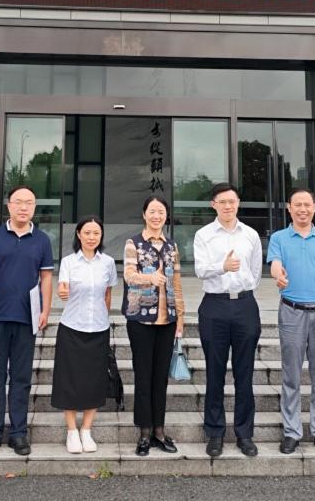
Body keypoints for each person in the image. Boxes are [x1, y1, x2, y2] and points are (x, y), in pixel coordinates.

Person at [0, 185, 54, 457]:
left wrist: (46, 310)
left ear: (34, 207)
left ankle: (19, 433)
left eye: (28, 202)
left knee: (21, 378)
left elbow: (46, 278)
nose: (23, 207)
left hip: (27, 317)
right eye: (18, 202)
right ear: (9, 205)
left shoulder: (42, 240)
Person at [267, 188, 315, 457]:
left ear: (314, 207)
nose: (302, 209)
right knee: (291, 374)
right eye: (297, 205)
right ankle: (291, 432)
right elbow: (275, 264)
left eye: (307, 205)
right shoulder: (279, 238)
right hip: (291, 311)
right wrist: (278, 275)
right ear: (289, 208)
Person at [192, 182, 263, 458]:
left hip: (245, 305)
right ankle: (215, 433)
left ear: (238, 203)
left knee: (245, 373)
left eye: (232, 201)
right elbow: (200, 270)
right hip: (215, 306)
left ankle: (245, 434)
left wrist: (241, 288)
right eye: (222, 202)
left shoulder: (251, 235)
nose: (228, 206)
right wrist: (223, 267)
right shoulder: (203, 235)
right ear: (214, 205)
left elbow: (255, 272)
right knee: (215, 371)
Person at [123, 195, 185, 457]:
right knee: (143, 376)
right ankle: (144, 433)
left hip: (167, 320)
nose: (156, 215)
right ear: (144, 214)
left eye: (161, 211)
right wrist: (150, 278)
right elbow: (128, 275)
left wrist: (180, 317)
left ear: (166, 216)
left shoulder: (171, 246)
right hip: (140, 319)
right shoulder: (133, 243)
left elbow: (177, 282)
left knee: (161, 378)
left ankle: (160, 430)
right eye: (152, 211)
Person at [51, 215, 117, 453]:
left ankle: (86, 429)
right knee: (69, 380)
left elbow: (107, 295)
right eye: (87, 233)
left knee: (94, 381)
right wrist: (61, 292)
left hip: (98, 328)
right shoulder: (69, 262)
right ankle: (71, 431)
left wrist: (103, 317)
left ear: (101, 236)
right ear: (78, 234)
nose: (91, 237)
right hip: (71, 327)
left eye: (96, 233)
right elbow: (63, 288)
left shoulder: (108, 262)